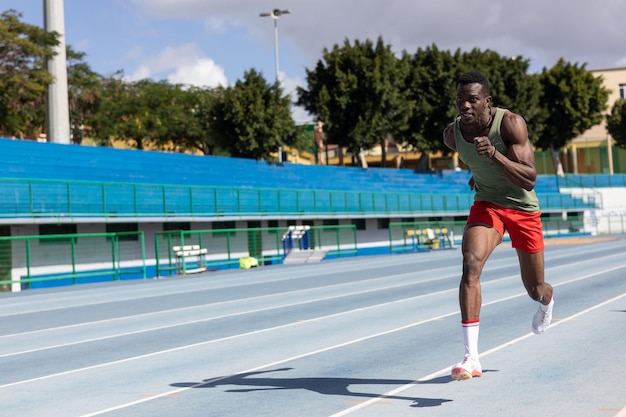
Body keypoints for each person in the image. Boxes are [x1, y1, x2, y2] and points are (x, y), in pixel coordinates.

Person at [442, 71, 554, 381]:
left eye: (472, 100)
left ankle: (547, 302)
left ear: (487, 101)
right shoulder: (452, 135)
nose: (464, 105)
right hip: (488, 204)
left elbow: (530, 178)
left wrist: (493, 155)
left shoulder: (509, 124)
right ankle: (471, 357)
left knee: (534, 289)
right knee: (470, 264)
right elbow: (473, 161)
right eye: (460, 99)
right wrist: (477, 174)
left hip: (522, 210)